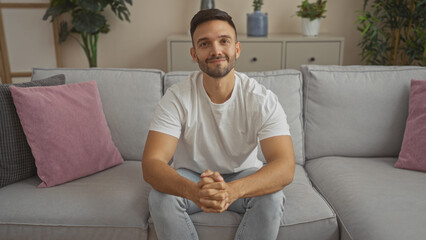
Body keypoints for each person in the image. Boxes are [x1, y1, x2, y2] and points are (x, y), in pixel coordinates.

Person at [142, 8, 295, 240]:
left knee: (273, 196)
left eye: (224, 41)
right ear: (194, 54)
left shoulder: (262, 99)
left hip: (244, 175)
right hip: (192, 176)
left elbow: (285, 166)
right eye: (204, 44)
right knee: (160, 197)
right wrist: (195, 192)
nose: (216, 50)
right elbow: (152, 164)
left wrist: (232, 191)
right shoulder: (176, 97)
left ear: (237, 48)